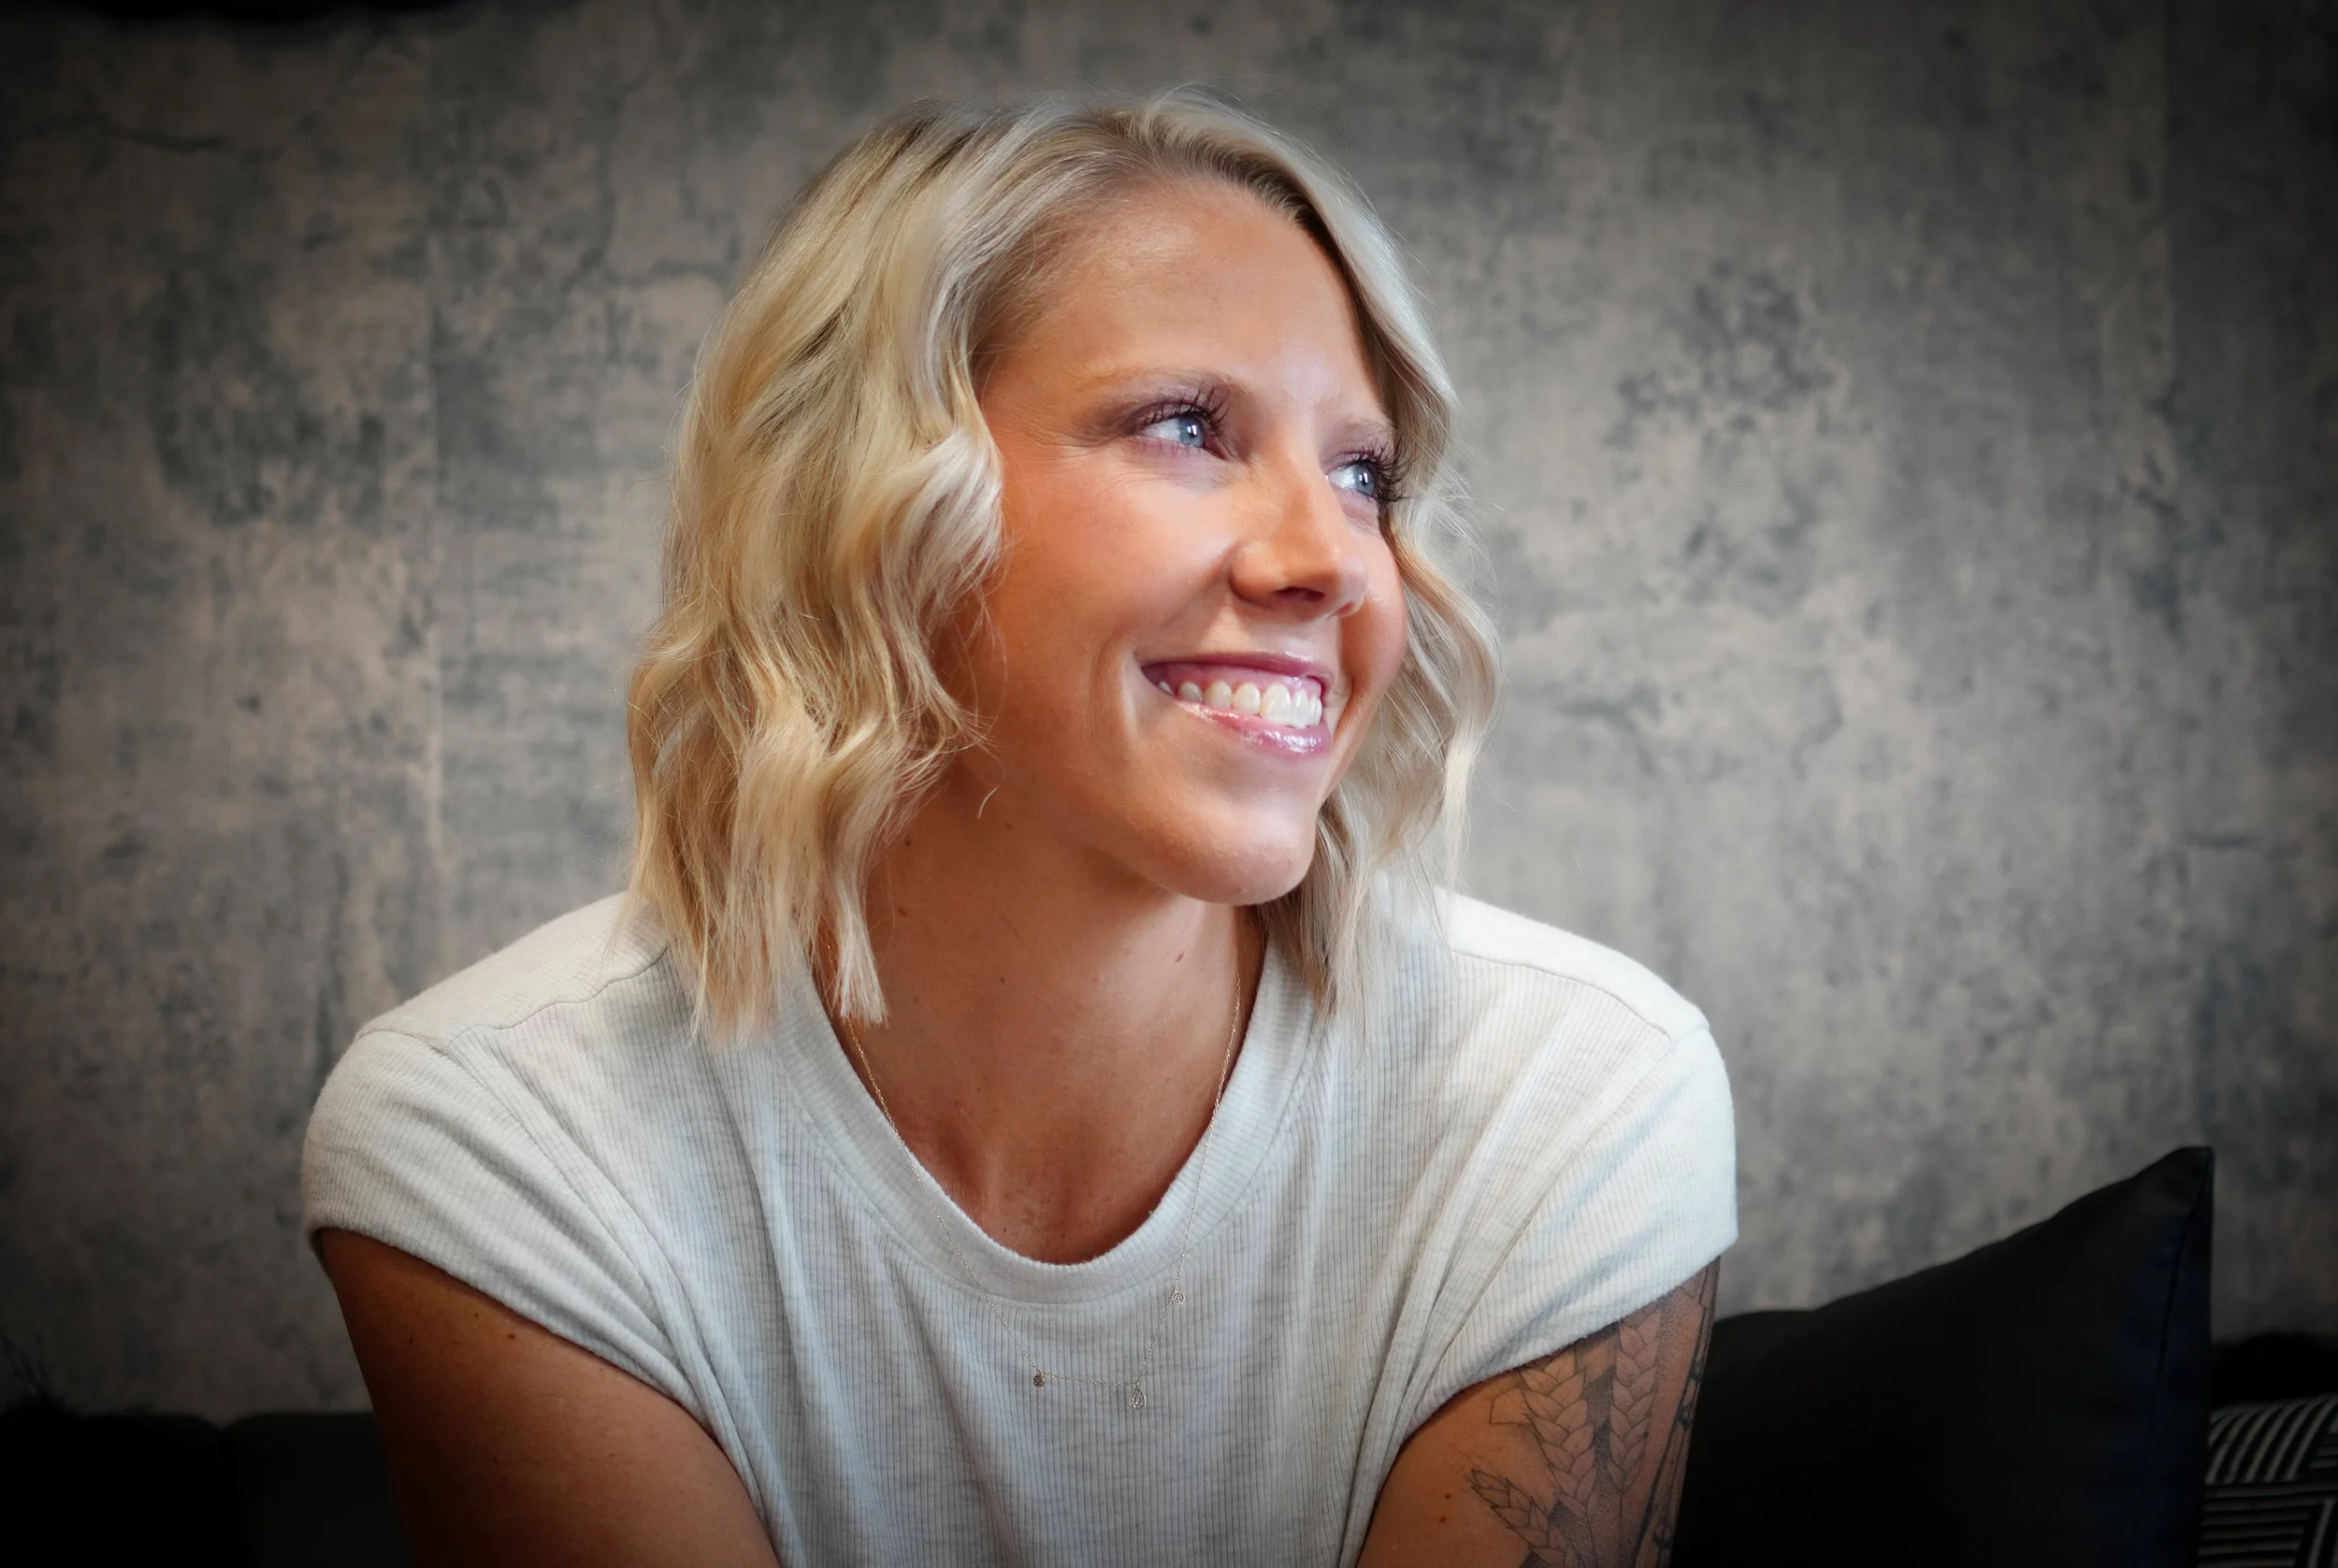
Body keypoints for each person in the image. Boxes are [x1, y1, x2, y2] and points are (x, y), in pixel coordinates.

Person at [303, 91, 1735, 1567]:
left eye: (1361, 474)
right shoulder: (500, 1140)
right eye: (1188, 426)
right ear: (860, 509)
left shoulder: (1573, 1101)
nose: (1336, 565)